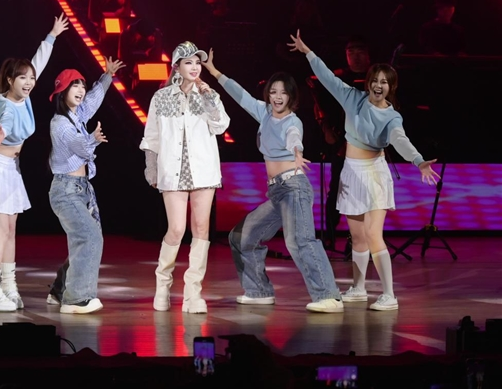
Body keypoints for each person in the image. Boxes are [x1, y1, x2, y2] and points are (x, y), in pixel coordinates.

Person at [289, 30, 440, 311]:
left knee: (373, 235)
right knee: (357, 237)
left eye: (384, 82)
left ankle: (389, 295)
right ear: (368, 82)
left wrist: (419, 161)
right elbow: (327, 78)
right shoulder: (353, 98)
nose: (378, 85)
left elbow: (400, 140)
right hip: (351, 172)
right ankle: (358, 288)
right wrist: (308, 52)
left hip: (374, 174)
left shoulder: (391, 116)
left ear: (391, 87)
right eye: (375, 80)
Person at [202, 49, 344, 313]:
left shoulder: (293, 121)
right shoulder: (264, 113)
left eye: (283, 93)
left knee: (299, 241)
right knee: (241, 237)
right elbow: (240, 95)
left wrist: (298, 152)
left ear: (292, 96)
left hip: (294, 188)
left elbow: (294, 137)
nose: (278, 97)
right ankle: (258, 291)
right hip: (277, 192)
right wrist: (214, 72)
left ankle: (329, 296)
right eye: (273, 92)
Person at [0, 14, 69, 312]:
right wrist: (1, 130)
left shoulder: (23, 97)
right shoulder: (6, 104)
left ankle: (9, 286)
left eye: (31, 78)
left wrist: (52, 35)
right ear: (10, 80)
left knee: (11, 231)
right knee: (0, 232)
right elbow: (5, 120)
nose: (29, 82)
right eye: (22, 77)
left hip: (11, 170)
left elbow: (39, 61)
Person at [140, 41, 230, 314]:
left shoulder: (209, 94)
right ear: (176, 66)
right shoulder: (161, 97)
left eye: (197, 62)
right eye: (188, 62)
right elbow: (151, 137)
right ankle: (162, 285)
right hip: (172, 171)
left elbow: (221, 125)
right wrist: (151, 168)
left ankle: (193, 294)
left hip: (203, 170)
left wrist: (208, 96)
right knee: (177, 229)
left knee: (201, 229)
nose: (194, 67)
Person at [46, 57, 125, 314]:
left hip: (81, 189)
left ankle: (59, 290)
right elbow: (80, 148)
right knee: (89, 237)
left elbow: (93, 99)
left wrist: (107, 75)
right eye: (74, 85)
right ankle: (76, 299)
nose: (81, 89)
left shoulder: (77, 114)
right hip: (66, 190)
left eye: (82, 84)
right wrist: (93, 139)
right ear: (62, 92)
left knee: (83, 239)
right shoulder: (59, 124)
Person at [309, 36, 371, 247]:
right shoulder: (338, 78)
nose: (355, 57)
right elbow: (319, 106)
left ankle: (360, 238)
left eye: (360, 52)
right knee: (337, 189)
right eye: (351, 53)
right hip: (342, 144)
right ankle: (329, 236)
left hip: (368, 144)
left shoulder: (375, 77)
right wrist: (326, 129)